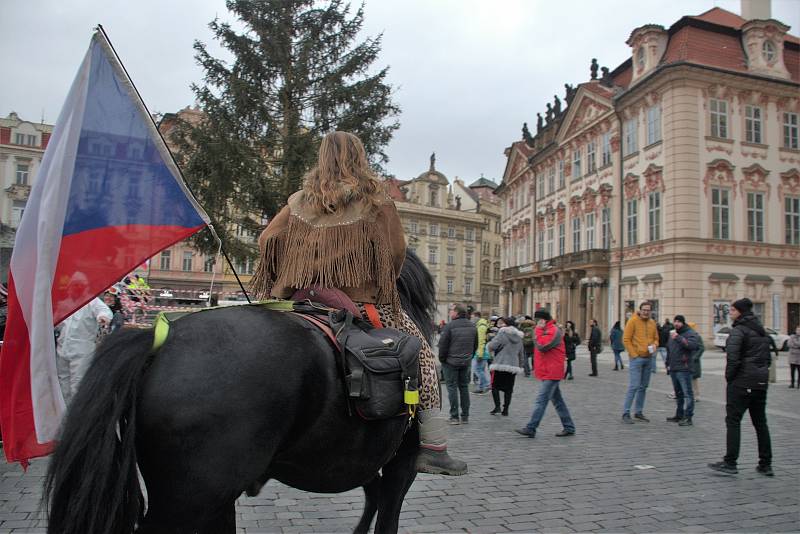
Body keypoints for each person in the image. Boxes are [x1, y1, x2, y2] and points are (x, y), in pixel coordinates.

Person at [253, 131, 467, 475]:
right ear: (360, 157)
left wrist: (290, 271)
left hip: (300, 300)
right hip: (359, 301)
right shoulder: (375, 200)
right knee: (425, 360)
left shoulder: (298, 201)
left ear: (321, 159)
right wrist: (379, 280)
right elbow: (396, 251)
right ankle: (434, 447)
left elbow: (268, 239)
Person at [709, 298, 773, 476]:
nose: (730, 313)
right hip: (760, 383)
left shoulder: (739, 330)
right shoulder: (761, 331)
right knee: (761, 423)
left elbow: (733, 358)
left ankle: (730, 462)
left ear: (740, 312)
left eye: (732, 311)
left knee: (733, 421)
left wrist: (730, 378)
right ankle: (766, 464)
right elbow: (767, 359)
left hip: (742, 382)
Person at [516, 309, 576, 438]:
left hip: (552, 371)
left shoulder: (553, 331)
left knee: (541, 400)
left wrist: (536, 332)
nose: (535, 323)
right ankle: (569, 426)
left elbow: (542, 346)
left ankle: (531, 427)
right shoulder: (545, 330)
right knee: (558, 401)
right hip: (547, 370)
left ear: (543, 320)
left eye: (537, 320)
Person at [55, 297, 112, 406]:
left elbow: (104, 311)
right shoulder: (65, 302)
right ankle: (64, 415)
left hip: (82, 349)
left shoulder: (91, 301)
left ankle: (76, 415)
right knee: (62, 385)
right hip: (63, 347)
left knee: (78, 385)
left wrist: (103, 317)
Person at [439, 303, 478, 424]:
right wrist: (468, 357)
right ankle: (465, 416)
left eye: (451, 310)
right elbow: (475, 345)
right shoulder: (472, 326)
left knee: (452, 388)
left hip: (451, 362)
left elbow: (443, 346)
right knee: (464, 387)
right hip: (465, 361)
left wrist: (442, 360)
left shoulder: (450, 326)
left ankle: (454, 417)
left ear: (456, 312)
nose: (450, 312)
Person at [621, 301, 659, 424]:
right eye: (644, 310)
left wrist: (654, 345)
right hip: (637, 358)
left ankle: (638, 411)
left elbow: (656, 339)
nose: (646, 312)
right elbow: (626, 339)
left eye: (648, 310)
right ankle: (626, 412)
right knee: (634, 386)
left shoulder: (652, 323)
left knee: (643, 387)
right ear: (640, 310)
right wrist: (634, 354)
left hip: (648, 358)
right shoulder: (632, 321)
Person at [665, 315, 700, 426]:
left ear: (683, 323)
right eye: (675, 321)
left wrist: (679, 338)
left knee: (688, 394)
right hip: (674, 368)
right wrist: (667, 364)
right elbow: (669, 350)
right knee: (678, 394)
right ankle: (679, 415)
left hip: (684, 368)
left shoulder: (690, 333)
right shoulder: (672, 334)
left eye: (679, 322)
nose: (676, 323)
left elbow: (693, 346)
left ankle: (688, 417)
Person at [487, 316, 525, 416]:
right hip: (513, 365)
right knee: (509, 389)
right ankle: (506, 409)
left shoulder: (502, 334)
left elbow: (492, 346)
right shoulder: (519, 337)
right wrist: (520, 365)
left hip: (500, 364)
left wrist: (489, 344)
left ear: (506, 324)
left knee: (495, 386)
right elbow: (521, 353)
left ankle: (497, 407)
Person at [471, 311, 491, 394]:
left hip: (481, 352)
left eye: (472, 317)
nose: (471, 319)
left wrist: (479, 354)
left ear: (476, 316)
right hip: (482, 352)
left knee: (477, 370)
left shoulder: (481, 326)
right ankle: (481, 387)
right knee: (480, 370)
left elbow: (481, 341)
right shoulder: (480, 325)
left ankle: (486, 385)